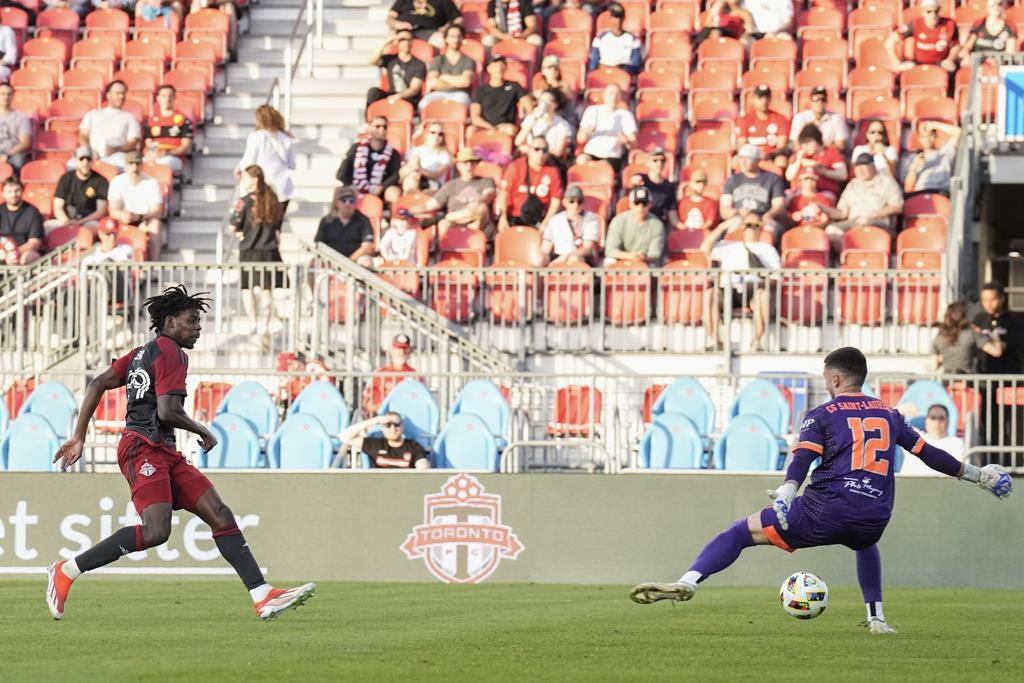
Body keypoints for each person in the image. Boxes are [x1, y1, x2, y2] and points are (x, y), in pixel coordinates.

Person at [629, 347, 1013, 634]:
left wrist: (786, 492)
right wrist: (980, 476)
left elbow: (802, 458)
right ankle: (876, 617)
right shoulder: (890, 414)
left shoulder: (822, 414)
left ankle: (689, 581)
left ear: (834, 379)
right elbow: (929, 454)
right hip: (875, 515)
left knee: (739, 531)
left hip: (823, 511)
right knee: (864, 543)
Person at [47, 286, 317, 622]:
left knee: (219, 513)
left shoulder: (139, 353)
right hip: (143, 448)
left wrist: (78, 436)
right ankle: (67, 570)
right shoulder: (172, 352)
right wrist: (203, 430)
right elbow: (168, 411)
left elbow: (97, 383)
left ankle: (262, 595)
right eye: (193, 321)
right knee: (156, 530)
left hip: (162, 450)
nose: (199, 328)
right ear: (171, 321)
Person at [700, 213, 780, 351]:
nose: (752, 229)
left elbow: (776, 279)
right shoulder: (729, 246)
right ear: (742, 227)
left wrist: (759, 284)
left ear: (761, 228)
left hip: (754, 288)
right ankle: (714, 340)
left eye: (757, 225)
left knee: (763, 295)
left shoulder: (768, 250)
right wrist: (723, 226)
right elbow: (705, 248)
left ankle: (757, 342)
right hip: (729, 288)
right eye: (748, 225)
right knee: (710, 294)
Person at [230, 165, 284, 336]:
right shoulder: (273, 198)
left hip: (249, 249)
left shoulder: (243, 201)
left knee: (248, 288)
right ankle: (266, 325)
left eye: (245, 177)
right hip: (269, 249)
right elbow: (278, 222)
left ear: (254, 179)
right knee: (267, 290)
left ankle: (253, 322)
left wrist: (239, 232)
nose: (243, 181)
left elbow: (234, 224)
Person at [972, 281, 1024, 449]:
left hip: (1009, 381)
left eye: (992, 299)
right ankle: (990, 457)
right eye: (984, 300)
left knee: (1012, 422)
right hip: (985, 383)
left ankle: (1013, 458)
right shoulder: (979, 319)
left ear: (1001, 299)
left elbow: (1011, 346)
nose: (988, 304)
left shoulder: (1015, 321)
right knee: (987, 421)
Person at [820, 153, 903, 253]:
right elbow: (842, 213)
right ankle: (851, 258)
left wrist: (874, 214)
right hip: (854, 221)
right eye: (857, 167)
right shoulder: (853, 184)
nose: (860, 170)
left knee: (862, 223)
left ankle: (862, 258)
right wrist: (824, 208)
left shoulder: (886, 182)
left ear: (873, 167)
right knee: (831, 230)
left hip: (879, 222)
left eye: (864, 167)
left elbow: (898, 206)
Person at [417, 147, 497, 236]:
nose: (469, 166)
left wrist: (478, 202)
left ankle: (447, 218)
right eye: (465, 162)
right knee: (444, 224)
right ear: (459, 165)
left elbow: (488, 195)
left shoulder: (486, 181)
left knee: (481, 208)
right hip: (456, 223)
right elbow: (429, 205)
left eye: (472, 162)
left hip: (478, 223)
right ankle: (444, 248)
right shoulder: (451, 185)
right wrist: (410, 212)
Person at [234, 104, 295, 211]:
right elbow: (292, 164)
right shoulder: (285, 138)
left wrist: (239, 168)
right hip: (282, 189)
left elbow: (248, 161)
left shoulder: (257, 136)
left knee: (259, 224)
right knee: (275, 225)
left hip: (262, 189)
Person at [107, 151, 165, 261]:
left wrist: (140, 217)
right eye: (131, 163)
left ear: (142, 165)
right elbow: (113, 210)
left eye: (137, 164)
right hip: (122, 220)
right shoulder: (117, 181)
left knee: (155, 225)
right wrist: (124, 215)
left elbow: (157, 211)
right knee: (108, 226)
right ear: (125, 166)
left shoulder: (151, 182)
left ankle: (154, 266)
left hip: (144, 219)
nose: (134, 167)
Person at [719, 144, 787, 236]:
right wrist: (738, 212)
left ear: (757, 160)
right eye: (741, 158)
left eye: (747, 159)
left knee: (769, 230)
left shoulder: (772, 179)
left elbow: (779, 205)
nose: (743, 162)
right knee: (731, 228)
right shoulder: (732, 180)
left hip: (763, 218)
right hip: (739, 218)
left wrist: (769, 215)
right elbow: (724, 210)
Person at [497, 137, 563, 231]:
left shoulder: (553, 171)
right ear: (529, 151)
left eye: (544, 150)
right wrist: (503, 217)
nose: (540, 154)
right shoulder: (516, 167)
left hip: (540, 219)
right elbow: (504, 193)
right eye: (536, 149)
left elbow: (556, 200)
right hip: (516, 217)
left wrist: (546, 222)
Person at [336, 116, 402, 206]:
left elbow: (395, 175)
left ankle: (395, 219)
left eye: (385, 127)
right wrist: (352, 187)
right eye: (377, 126)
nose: (382, 129)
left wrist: (382, 187)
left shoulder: (393, 153)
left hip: (380, 191)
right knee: (340, 191)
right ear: (370, 128)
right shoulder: (356, 148)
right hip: (355, 188)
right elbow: (341, 174)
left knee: (393, 192)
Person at [77, 80, 142, 171]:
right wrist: (89, 150)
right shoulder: (93, 114)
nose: (121, 96)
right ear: (108, 95)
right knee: (73, 164)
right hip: (92, 153)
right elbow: (83, 135)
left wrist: (115, 149)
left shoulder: (130, 117)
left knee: (126, 165)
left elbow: (134, 142)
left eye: (123, 93)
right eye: (117, 93)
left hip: (117, 155)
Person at [45, 146, 109, 233]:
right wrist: (67, 221)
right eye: (81, 159)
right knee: (47, 226)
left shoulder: (100, 181)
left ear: (92, 161)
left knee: (93, 227)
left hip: (88, 221)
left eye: (88, 159)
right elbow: (58, 207)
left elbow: (100, 211)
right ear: (75, 160)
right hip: (66, 219)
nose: (85, 162)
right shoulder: (66, 178)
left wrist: (80, 222)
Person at [576, 84, 637, 170]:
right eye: (610, 93)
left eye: (617, 93)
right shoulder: (592, 111)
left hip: (612, 155)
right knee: (581, 160)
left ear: (620, 97)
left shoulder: (625, 115)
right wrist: (586, 132)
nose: (613, 96)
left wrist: (626, 141)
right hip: (591, 152)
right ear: (604, 95)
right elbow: (580, 139)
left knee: (602, 166)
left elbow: (633, 144)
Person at [887, 0, 960, 73]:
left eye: (936, 11)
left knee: (952, 68)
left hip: (941, 63)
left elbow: (956, 45)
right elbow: (890, 42)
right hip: (919, 64)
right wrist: (897, 63)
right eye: (929, 11)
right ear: (922, 12)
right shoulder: (915, 24)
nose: (933, 15)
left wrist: (950, 59)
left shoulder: (950, 24)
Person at [341, 412, 431, 469]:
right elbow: (344, 437)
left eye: (396, 424)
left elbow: (423, 467)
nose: (392, 428)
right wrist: (373, 421)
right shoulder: (375, 444)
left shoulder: (413, 446)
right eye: (388, 425)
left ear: (402, 426)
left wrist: (423, 466)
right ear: (382, 428)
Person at [313, 186, 375, 266]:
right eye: (344, 200)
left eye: (351, 200)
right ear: (337, 203)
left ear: (356, 203)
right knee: (313, 263)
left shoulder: (363, 220)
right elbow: (319, 245)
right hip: (331, 260)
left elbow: (367, 247)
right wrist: (333, 260)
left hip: (355, 260)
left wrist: (349, 261)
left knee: (366, 262)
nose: (347, 204)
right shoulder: (326, 221)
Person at [361, 333, 421, 416]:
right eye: (398, 348)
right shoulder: (379, 374)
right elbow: (365, 400)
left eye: (404, 349)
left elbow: (420, 401)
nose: (401, 352)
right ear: (392, 350)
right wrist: (375, 408)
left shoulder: (415, 376)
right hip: (380, 417)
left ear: (409, 351)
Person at [468, 55, 527, 139]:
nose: (499, 67)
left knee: (510, 130)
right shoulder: (480, 91)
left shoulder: (514, 86)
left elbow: (527, 103)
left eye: (502, 64)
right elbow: (475, 117)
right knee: (471, 130)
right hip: (485, 125)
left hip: (504, 125)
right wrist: (490, 127)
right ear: (489, 69)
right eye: (495, 64)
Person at [419, 25, 475, 110]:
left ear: (463, 38)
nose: (456, 40)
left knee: (462, 103)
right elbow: (432, 83)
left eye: (459, 36)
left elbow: (465, 82)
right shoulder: (437, 60)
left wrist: (443, 77)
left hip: (460, 95)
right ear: (446, 39)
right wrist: (457, 82)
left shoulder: (468, 60)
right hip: (438, 94)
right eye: (452, 37)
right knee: (423, 105)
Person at [540, 185, 599, 265]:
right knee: (539, 258)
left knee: (574, 259)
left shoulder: (590, 219)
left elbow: (587, 249)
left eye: (579, 201)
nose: (575, 205)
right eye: (572, 201)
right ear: (564, 202)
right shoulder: (555, 220)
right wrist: (543, 257)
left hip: (580, 258)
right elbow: (546, 246)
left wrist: (566, 256)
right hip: (558, 256)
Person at [604, 186, 665, 265]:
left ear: (650, 205)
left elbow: (654, 254)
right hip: (622, 260)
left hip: (645, 262)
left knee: (655, 265)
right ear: (630, 204)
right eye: (636, 203)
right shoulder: (618, 221)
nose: (640, 207)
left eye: (644, 203)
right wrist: (630, 256)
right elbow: (610, 250)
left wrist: (642, 258)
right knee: (609, 261)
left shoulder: (657, 224)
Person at [785, 123, 847, 199]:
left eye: (808, 143)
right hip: (799, 193)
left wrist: (823, 171)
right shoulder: (799, 155)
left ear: (817, 141)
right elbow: (789, 176)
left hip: (824, 192)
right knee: (786, 196)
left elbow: (843, 175)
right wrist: (798, 161)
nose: (806, 147)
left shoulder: (831, 153)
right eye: (803, 144)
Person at [367, 30, 427, 109]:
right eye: (402, 40)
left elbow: (414, 89)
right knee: (373, 92)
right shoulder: (390, 59)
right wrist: (386, 42)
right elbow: (372, 61)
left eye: (409, 39)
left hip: (409, 97)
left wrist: (398, 96)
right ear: (396, 42)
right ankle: (371, 119)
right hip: (392, 94)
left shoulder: (419, 64)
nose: (406, 43)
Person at [899, 404, 965, 476]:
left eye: (941, 418)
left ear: (948, 421)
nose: (937, 422)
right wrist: (902, 409)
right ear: (926, 421)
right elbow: (892, 422)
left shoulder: (959, 444)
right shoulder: (913, 436)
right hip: (907, 484)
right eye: (933, 418)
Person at [144, 85, 193, 175]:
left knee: (162, 164)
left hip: (174, 157)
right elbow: (148, 143)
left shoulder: (183, 120)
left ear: (174, 98)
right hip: (155, 155)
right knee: (139, 164)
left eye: (170, 96)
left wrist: (166, 153)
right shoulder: (151, 121)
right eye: (164, 96)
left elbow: (185, 147)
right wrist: (151, 153)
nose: (167, 99)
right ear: (158, 98)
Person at [902, 121, 961, 196]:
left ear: (935, 136)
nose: (927, 139)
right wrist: (914, 168)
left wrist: (934, 125)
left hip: (942, 193)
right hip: (920, 193)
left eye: (931, 135)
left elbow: (958, 132)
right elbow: (908, 188)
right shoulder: (912, 158)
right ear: (919, 138)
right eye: (924, 136)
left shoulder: (945, 152)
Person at [514, 88, 573, 159]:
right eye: (541, 100)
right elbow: (518, 142)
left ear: (555, 104)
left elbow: (558, 152)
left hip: (550, 159)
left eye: (548, 101)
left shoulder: (562, 125)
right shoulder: (531, 118)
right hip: (530, 158)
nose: (544, 103)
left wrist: (539, 151)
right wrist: (533, 119)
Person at [627, 147, 678, 228]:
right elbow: (629, 186)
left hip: (656, 224)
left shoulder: (669, 187)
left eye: (662, 160)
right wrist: (633, 182)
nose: (659, 163)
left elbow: (672, 212)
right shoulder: (640, 179)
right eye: (655, 160)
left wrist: (682, 226)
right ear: (648, 163)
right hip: (637, 222)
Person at [736, 84, 790, 157]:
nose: (764, 101)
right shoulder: (744, 119)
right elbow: (741, 144)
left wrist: (768, 155)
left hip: (772, 156)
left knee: (781, 161)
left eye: (766, 98)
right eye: (760, 98)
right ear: (754, 99)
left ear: (770, 99)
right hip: (750, 157)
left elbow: (781, 145)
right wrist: (755, 155)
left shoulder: (781, 119)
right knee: (735, 162)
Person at [588, 3, 642, 75]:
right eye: (614, 17)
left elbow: (636, 64)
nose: (617, 21)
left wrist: (621, 68)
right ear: (610, 18)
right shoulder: (600, 37)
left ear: (623, 18)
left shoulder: (633, 39)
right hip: (603, 73)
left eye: (619, 17)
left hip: (623, 73)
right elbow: (593, 63)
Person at [789, 85, 848, 151]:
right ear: (810, 101)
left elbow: (840, 146)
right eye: (815, 99)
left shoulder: (837, 118)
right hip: (805, 154)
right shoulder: (800, 117)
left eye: (823, 99)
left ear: (826, 101)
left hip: (827, 155)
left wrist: (817, 148)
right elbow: (796, 144)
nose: (819, 102)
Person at [399, 123, 453, 193]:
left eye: (440, 134)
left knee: (413, 180)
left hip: (433, 184)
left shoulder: (444, 155)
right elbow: (401, 172)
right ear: (426, 134)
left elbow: (436, 175)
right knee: (412, 176)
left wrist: (420, 170)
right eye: (433, 132)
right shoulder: (415, 150)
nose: (436, 136)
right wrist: (414, 170)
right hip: (413, 179)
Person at [0, 177, 43, 264]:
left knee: (29, 257)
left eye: (17, 190)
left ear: (23, 191)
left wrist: (13, 253)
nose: (13, 195)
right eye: (9, 192)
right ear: (3, 193)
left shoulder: (32, 212)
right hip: (2, 251)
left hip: (23, 252)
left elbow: (35, 243)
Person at [387, 0, 461, 49]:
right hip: (404, 30)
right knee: (388, 44)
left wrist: (447, 29)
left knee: (442, 41)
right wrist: (396, 24)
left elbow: (458, 20)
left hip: (430, 32)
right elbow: (390, 17)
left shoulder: (444, 1)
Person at [932, 301, 975, 374]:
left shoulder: (939, 337)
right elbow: (996, 351)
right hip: (966, 379)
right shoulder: (971, 334)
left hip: (948, 379)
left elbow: (934, 365)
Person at [0, 83, 30, 172]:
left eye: (9, 94)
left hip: (12, 152)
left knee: (18, 161)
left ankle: (14, 183)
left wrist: (7, 154)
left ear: (13, 96)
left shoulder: (21, 116)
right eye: (2, 94)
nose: (6, 97)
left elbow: (25, 142)